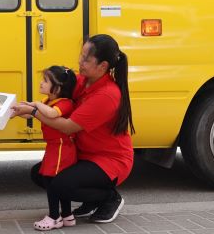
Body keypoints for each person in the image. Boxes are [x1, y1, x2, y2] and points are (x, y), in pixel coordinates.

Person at [12, 34, 135, 224]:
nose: (80, 61)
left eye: (86, 59)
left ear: (102, 66)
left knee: (60, 185)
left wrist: (34, 111)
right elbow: (55, 98)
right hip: (84, 155)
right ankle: (92, 200)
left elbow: (68, 127)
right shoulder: (81, 80)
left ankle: (109, 198)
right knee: (42, 174)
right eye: (81, 55)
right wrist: (21, 109)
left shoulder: (107, 95)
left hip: (108, 161)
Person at [21, 66, 78, 231]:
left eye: (45, 81)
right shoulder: (48, 101)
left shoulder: (65, 103)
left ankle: (55, 217)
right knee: (57, 181)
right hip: (55, 147)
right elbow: (31, 113)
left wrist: (35, 105)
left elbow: (52, 114)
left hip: (61, 147)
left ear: (58, 87)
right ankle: (67, 215)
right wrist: (16, 109)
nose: (41, 83)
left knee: (51, 180)